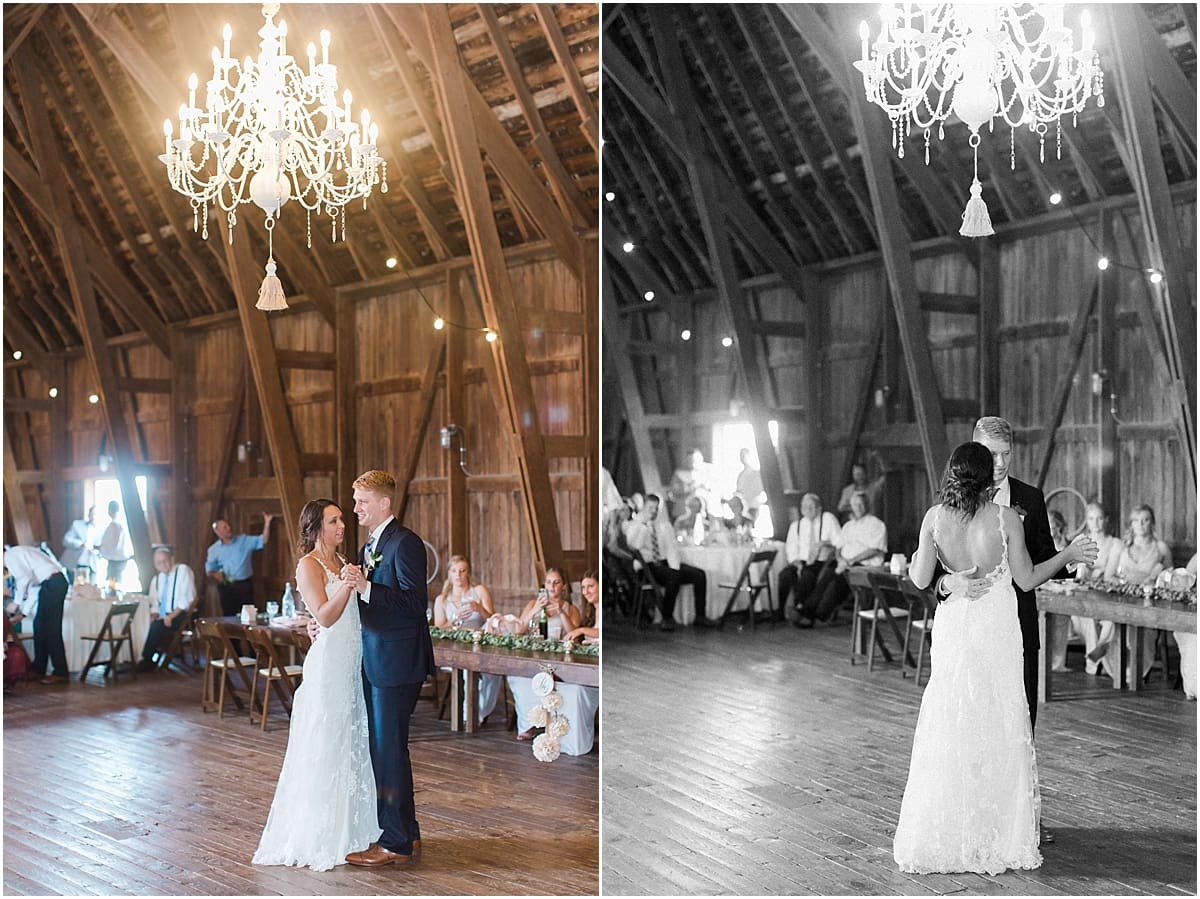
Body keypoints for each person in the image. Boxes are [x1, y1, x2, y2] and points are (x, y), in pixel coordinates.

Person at [893, 442, 1096, 874]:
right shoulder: (1005, 519)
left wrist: (945, 580)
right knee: (999, 720)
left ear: (952, 474)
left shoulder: (934, 519)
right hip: (997, 631)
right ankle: (999, 832)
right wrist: (1068, 554)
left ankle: (949, 832)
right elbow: (1027, 579)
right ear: (989, 478)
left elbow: (920, 578)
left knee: (951, 718)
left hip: (955, 629)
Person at [254, 500, 380, 871]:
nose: (342, 525)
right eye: (334, 520)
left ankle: (352, 828)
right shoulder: (308, 565)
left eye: (342, 519)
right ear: (315, 528)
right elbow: (324, 616)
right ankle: (320, 833)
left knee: (350, 739)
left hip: (351, 661)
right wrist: (348, 586)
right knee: (326, 740)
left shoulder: (341, 561)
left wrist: (352, 581)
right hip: (328, 666)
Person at [340, 470, 434, 867]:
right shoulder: (371, 546)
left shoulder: (405, 543)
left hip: (396, 662)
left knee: (388, 751)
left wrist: (366, 587)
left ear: (384, 503)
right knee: (389, 750)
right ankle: (407, 833)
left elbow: (414, 605)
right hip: (377, 658)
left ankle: (394, 841)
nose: (356, 508)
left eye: (362, 501)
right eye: (356, 501)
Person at [1089, 504, 1172, 686]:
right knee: (1114, 619)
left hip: (1148, 602)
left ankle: (1134, 669)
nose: (1141, 525)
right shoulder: (1123, 547)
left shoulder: (1161, 548)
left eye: (1145, 520)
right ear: (1131, 524)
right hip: (1123, 598)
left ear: (1152, 523)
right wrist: (1123, 583)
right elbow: (1109, 577)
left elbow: (1171, 580)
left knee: (1136, 625)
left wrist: (1156, 577)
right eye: (1136, 520)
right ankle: (1115, 664)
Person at [509, 567, 583, 741]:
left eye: (556, 582)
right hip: (534, 656)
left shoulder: (571, 609)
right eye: (549, 582)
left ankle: (552, 723)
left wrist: (561, 612)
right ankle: (530, 724)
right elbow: (519, 630)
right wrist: (535, 609)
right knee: (519, 678)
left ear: (563, 585)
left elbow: (574, 635)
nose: (552, 586)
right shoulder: (533, 604)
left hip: (557, 659)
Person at [623, 494, 714, 630]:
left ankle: (700, 616)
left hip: (664, 563)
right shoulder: (634, 525)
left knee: (699, 575)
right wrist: (644, 525)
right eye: (650, 507)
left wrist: (675, 567)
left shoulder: (663, 525)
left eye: (656, 508)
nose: (653, 511)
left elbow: (671, 548)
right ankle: (667, 617)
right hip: (647, 566)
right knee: (673, 576)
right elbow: (634, 545)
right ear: (643, 507)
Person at [798, 491, 887, 628]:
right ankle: (807, 612)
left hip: (863, 566)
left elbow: (875, 550)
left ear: (867, 505)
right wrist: (840, 559)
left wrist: (851, 561)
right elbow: (839, 546)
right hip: (844, 562)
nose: (858, 508)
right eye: (855, 505)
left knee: (837, 583)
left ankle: (819, 615)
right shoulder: (848, 526)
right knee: (825, 578)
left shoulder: (877, 524)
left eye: (861, 504)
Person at [434, 555, 501, 725]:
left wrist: (479, 608)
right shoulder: (442, 600)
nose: (458, 575)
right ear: (449, 573)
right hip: (453, 648)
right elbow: (438, 629)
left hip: (479, 644)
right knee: (467, 667)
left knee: (492, 671)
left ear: (468, 573)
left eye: (462, 571)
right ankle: (468, 714)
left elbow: (493, 620)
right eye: (454, 571)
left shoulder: (479, 591)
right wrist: (455, 619)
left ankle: (478, 712)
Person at [3, 545, 70, 685]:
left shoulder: (10, 556)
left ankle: (60, 672)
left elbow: (24, 578)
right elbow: (34, 588)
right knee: (39, 626)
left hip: (54, 583)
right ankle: (39, 668)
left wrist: (16, 603)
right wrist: (23, 614)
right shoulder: (16, 555)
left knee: (51, 630)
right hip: (51, 584)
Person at [1071, 502, 1123, 675]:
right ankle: (1094, 661)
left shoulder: (1115, 544)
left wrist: (1093, 572)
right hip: (1082, 595)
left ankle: (1096, 656)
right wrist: (1087, 571)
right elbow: (1077, 574)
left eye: (1100, 518)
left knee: (1110, 621)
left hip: (1106, 595)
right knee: (1086, 618)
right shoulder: (1080, 541)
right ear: (1087, 521)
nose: (1096, 523)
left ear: (1106, 520)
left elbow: (1108, 576)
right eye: (1092, 519)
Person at [779, 493, 841, 625]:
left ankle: (800, 609)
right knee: (785, 575)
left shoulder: (828, 519)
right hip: (801, 561)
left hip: (821, 560)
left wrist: (826, 543)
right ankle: (780, 612)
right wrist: (798, 565)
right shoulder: (796, 525)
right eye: (805, 507)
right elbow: (791, 550)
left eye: (811, 506)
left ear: (819, 508)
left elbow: (839, 542)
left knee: (808, 575)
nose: (808, 510)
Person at [138, 546, 197, 671]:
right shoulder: (157, 579)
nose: (163, 565)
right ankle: (137, 656)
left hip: (181, 615)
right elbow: (155, 603)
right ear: (155, 565)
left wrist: (170, 616)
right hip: (164, 615)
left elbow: (186, 599)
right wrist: (153, 616)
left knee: (156, 627)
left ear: (171, 559)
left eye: (165, 560)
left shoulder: (182, 571)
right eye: (159, 563)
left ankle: (147, 660)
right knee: (144, 623)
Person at [206, 514, 277, 617]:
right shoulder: (213, 549)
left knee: (248, 615)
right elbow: (209, 569)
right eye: (225, 527)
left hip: (244, 585)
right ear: (217, 532)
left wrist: (267, 522)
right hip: (226, 586)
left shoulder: (244, 541)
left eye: (228, 526)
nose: (229, 528)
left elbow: (263, 540)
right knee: (228, 616)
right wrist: (214, 574)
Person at [667, 447, 715, 520]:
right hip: (684, 509)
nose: (693, 463)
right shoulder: (679, 474)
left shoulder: (707, 473)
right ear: (686, 460)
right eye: (690, 460)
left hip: (705, 510)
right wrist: (691, 487)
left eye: (695, 460)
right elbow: (674, 491)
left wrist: (706, 486)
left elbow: (715, 489)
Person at [97, 501, 131, 585]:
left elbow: (115, 542)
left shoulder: (115, 524)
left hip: (116, 559)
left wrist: (101, 547)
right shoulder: (121, 522)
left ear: (109, 511)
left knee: (113, 584)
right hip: (118, 558)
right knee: (113, 582)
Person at [60, 506, 97, 575]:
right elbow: (66, 540)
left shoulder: (103, 531)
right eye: (93, 514)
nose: (94, 517)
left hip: (93, 565)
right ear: (89, 515)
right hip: (75, 564)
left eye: (96, 514)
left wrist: (95, 552)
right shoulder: (77, 525)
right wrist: (80, 544)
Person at [734, 448, 766, 521]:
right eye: (741, 456)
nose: (742, 458)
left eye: (744, 455)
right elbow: (739, 492)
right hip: (742, 508)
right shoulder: (741, 475)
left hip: (752, 507)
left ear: (749, 456)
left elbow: (760, 490)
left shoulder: (756, 474)